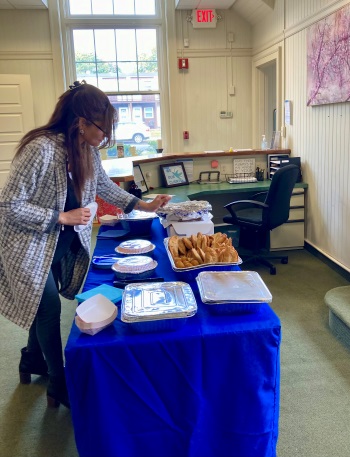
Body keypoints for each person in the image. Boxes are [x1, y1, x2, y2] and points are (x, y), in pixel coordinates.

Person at [0, 80, 171, 409]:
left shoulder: (85, 149)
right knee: (48, 308)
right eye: (103, 128)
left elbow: (105, 187)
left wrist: (143, 205)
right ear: (81, 122)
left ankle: (30, 359)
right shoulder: (41, 148)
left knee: (38, 304)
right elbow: (9, 206)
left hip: (56, 244)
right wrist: (62, 217)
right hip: (25, 245)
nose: (106, 137)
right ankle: (58, 383)